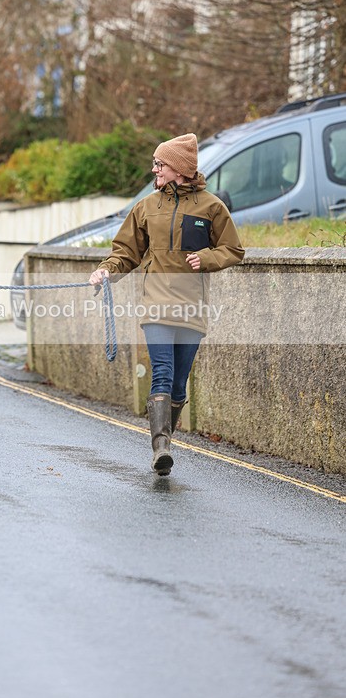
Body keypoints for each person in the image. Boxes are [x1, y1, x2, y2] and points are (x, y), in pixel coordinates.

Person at [89, 133, 245, 476]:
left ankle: (165, 439)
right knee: (162, 371)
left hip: (191, 307)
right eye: (155, 163)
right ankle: (161, 447)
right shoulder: (146, 207)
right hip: (156, 304)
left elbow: (233, 249)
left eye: (160, 164)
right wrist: (106, 270)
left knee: (178, 382)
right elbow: (126, 252)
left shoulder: (211, 207)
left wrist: (206, 258)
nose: (155, 169)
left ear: (180, 168)